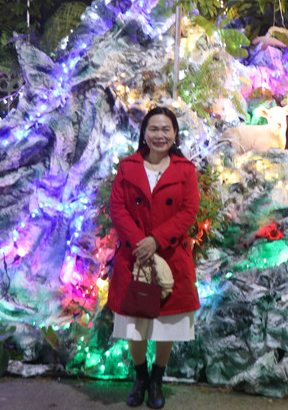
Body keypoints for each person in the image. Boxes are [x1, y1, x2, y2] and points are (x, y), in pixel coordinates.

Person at [107, 106, 200, 409]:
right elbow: (118, 208)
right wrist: (140, 242)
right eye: (154, 129)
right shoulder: (127, 166)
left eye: (166, 130)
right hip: (133, 256)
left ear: (175, 134)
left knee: (167, 323)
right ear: (144, 133)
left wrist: (156, 240)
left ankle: (158, 378)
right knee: (135, 320)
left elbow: (188, 211)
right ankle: (140, 377)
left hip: (171, 256)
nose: (160, 135)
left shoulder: (185, 169)